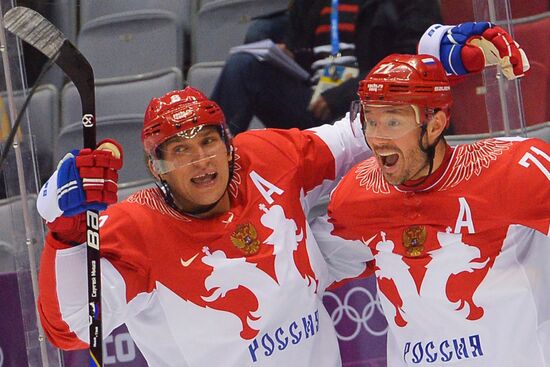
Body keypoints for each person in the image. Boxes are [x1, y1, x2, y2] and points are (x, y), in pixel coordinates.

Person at [35, 86, 371, 366]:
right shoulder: (136, 230)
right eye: (180, 150)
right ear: (157, 168)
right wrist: (67, 236)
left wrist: (406, 100)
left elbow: (356, 136)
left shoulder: (268, 161)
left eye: (208, 142)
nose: (200, 159)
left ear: (227, 146)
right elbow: (71, 330)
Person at [311, 23, 550, 367]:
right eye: (370, 120)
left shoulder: (514, 170)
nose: (376, 138)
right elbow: (299, 269)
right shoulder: (358, 195)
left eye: (392, 122)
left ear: (436, 125)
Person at [211, 0, 442, 135]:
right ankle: (217, 162)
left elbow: (411, 58)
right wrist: (289, 56)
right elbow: (302, 53)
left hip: (373, 107)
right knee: (242, 66)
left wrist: (340, 96)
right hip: (314, 105)